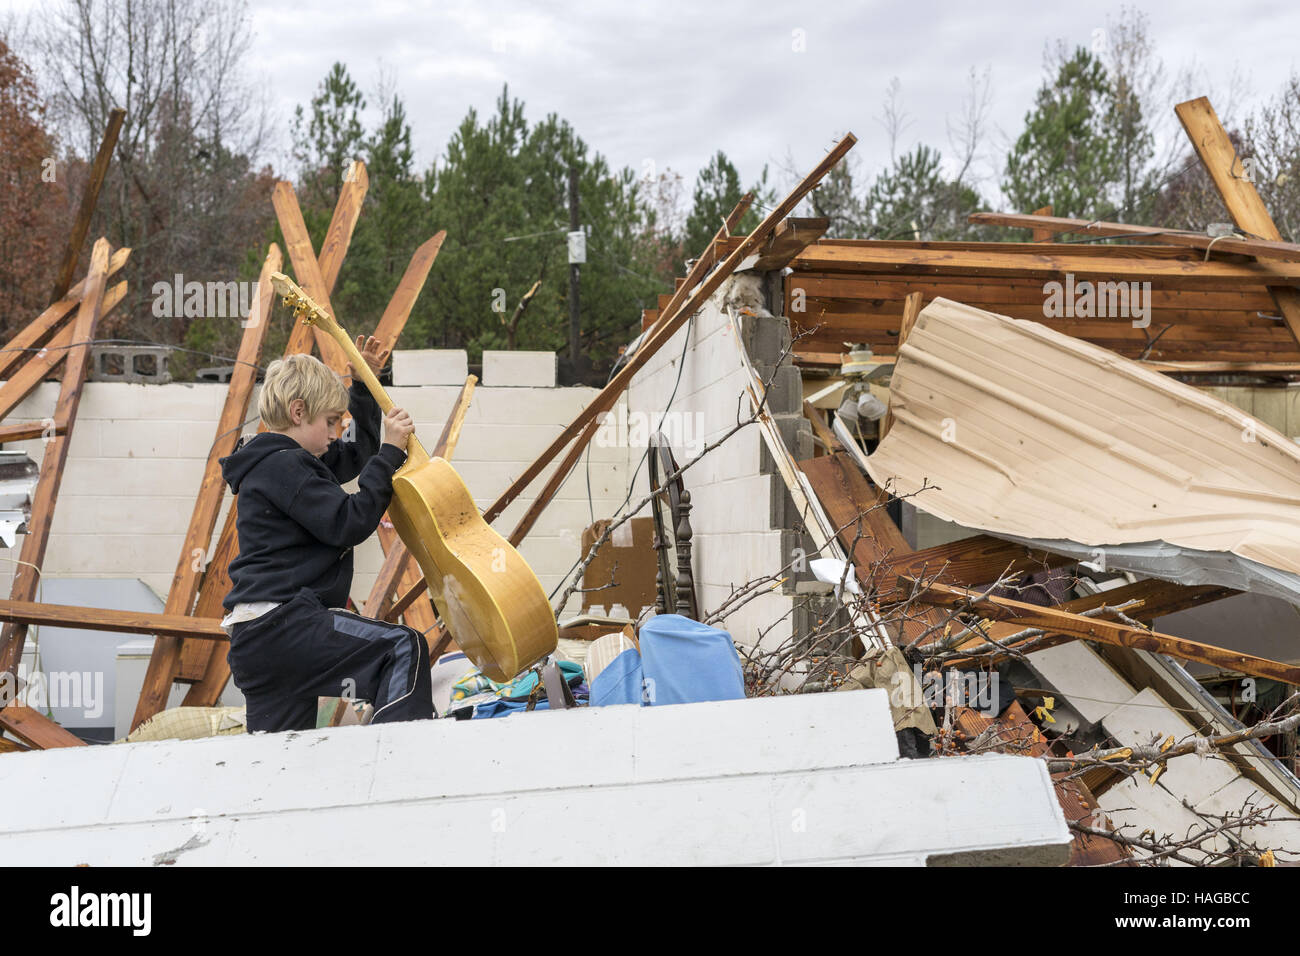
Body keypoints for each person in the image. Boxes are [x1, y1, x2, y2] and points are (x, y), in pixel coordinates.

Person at [217, 337, 434, 732]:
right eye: (332, 421)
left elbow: (355, 454)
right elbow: (347, 523)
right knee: (404, 647)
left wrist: (364, 387)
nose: (338, 432)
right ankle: (401, 766)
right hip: (284, 626)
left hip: (256, 643)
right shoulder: (285, 466)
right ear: (298, 411)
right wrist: (391, 455)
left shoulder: (279, 462)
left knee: (280, 755)